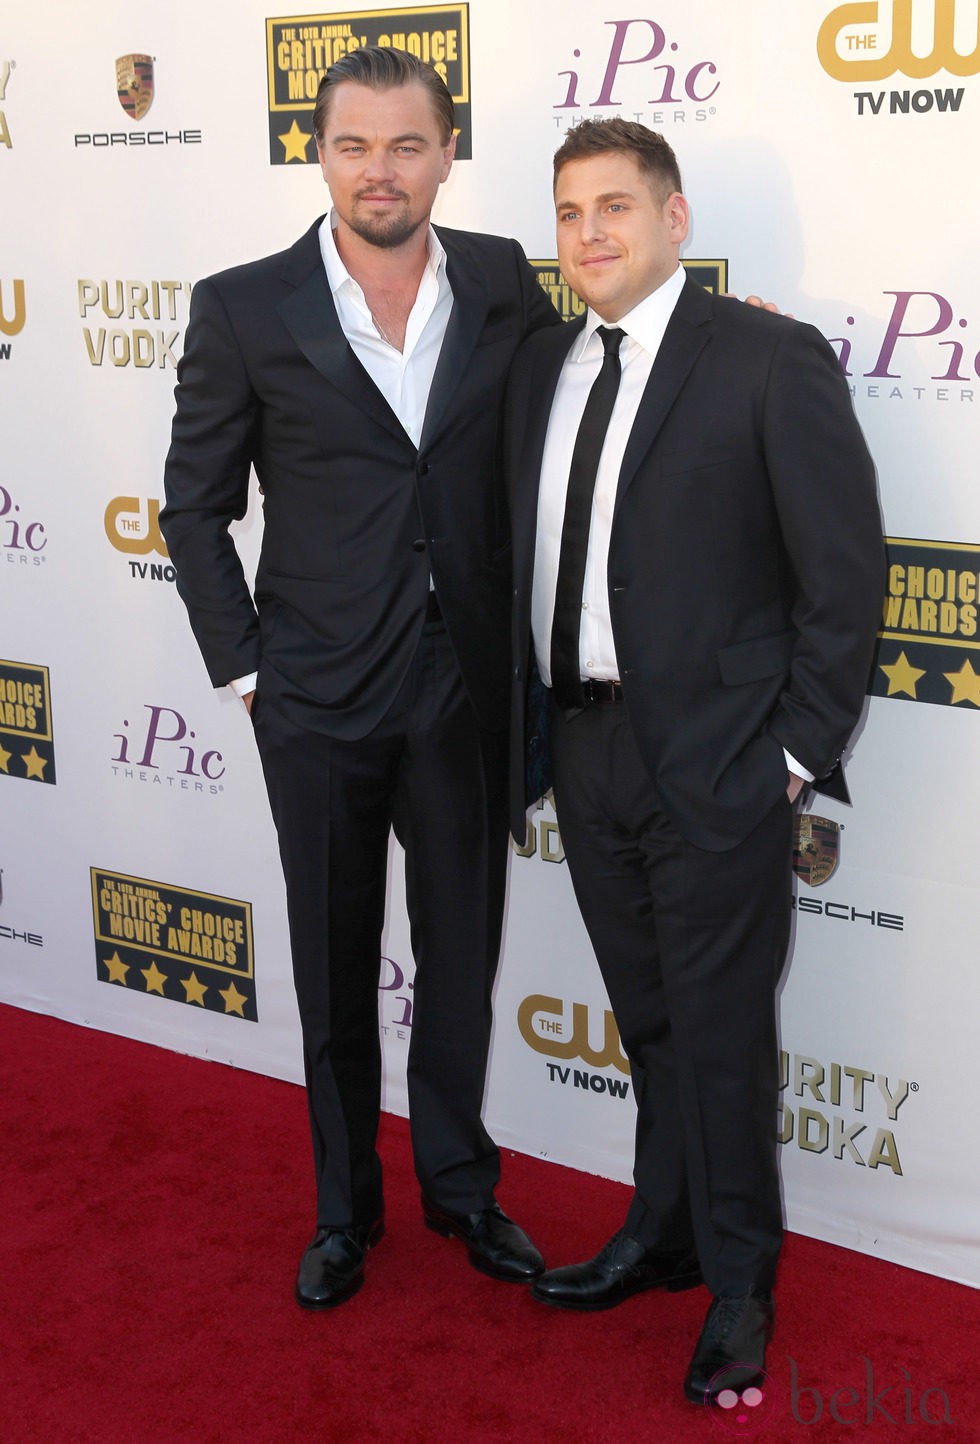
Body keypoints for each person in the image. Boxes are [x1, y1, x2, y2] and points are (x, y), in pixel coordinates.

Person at [161, 47, 560, 1310]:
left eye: (405, 145)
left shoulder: (501, 279)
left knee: (460, 954)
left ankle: (459, 1186)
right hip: (316, 697)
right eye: (352, 145)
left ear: (445, 153)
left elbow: (576, 396)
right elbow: (192, 510)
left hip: (463, 689)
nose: (378, 170)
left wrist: (720, 340)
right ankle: (345, 1212)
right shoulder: (241, 304)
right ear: (316, 154)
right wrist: (248, 671)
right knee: (333, 966)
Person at [505, 119, 884, 1404]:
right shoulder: (541, 364)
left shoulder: (768, 360)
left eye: (616, 205)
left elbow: (843, 585)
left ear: (675, 219)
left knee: (718, 1038)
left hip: (721, 762)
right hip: (588, 748)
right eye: (568, 212)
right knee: (653, 1026)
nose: (590, 232)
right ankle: (660, 1235)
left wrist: (789, 756)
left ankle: (738, 1285)